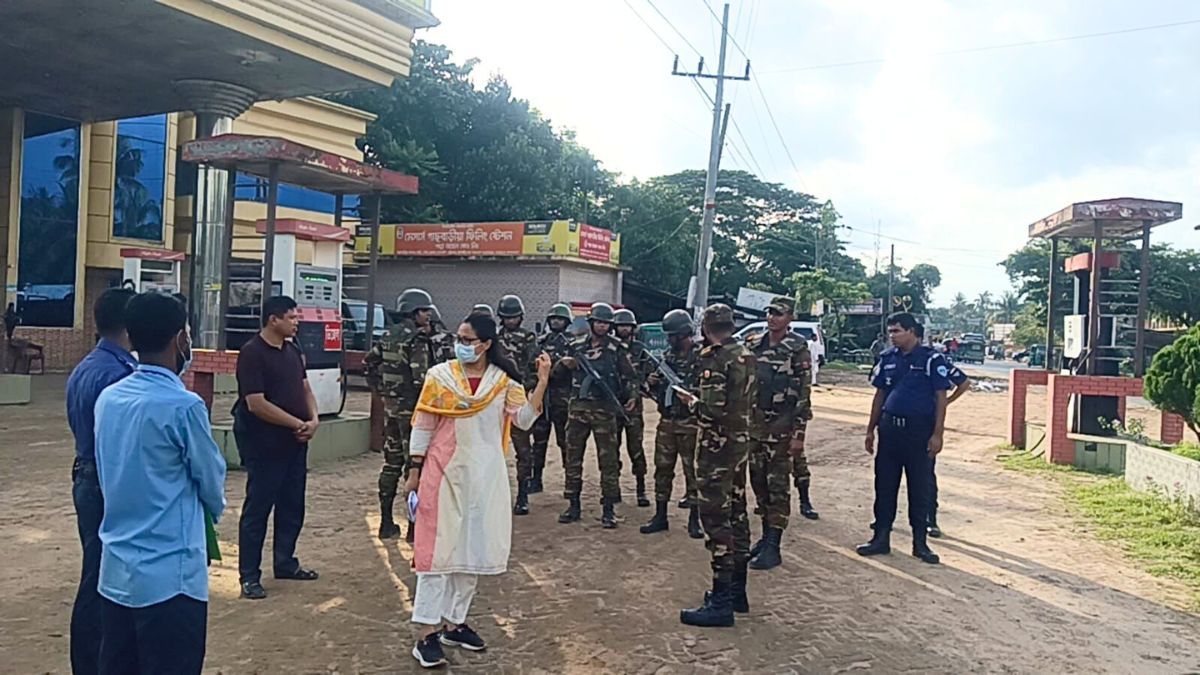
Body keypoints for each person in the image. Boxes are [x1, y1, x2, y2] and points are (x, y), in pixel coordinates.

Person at [92, 292, 226, 674]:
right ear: (180, 339)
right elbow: (211, 480)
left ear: (130, 339)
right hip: (172, 577)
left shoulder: (109, 399)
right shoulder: (183, 406)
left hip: (117, 569)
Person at [407, 314, 550, 668]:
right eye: (460, 338)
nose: (461, 344)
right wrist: (413, 470)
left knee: (472, 549)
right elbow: (424, 424)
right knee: (436, 555)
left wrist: (543, 382)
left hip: (485, 476)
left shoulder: (502, 381)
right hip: (442, 474)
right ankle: (426, 634)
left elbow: (524, 420)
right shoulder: (439, 377)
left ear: (486, 344)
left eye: (468, 339)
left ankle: (454, 624)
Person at [65, 287, 136, 673]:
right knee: (100, 578)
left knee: (97, 570)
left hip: (86, 473)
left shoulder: (88, 365)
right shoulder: (116, 375)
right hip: (103, 479)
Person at [673, 304, 756, 627]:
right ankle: (738, 592)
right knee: (738, 514)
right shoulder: (746, 354)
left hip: (716, 449)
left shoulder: (715, 357)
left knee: (717, 521)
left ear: (706, 328)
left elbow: (711, 411)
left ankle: (721, 603)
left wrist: (690, 401)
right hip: (739, 445)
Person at [233, 295, 320, 600]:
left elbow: (305, 387)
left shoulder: (293, 350)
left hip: (295, 444)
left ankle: (285, 562)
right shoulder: (252, 354)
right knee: (258, 510)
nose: (296, 323)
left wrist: (313, 419)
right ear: (274, 319)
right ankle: (249, 576)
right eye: (292, 318)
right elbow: (256, 404)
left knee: (292, 506)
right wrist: (297, 423)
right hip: (265, 446)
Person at [858, 312, 950, 565]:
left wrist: (938, 434)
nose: (892, 336)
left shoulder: (931, 359)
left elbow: (941, 398)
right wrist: (870, 429)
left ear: (912, 332)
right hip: (890, 432)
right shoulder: (888, 358)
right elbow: (880, 395)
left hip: (918, 433)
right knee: (884, 485)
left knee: (919, 488)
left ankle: (920, 543)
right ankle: (881, 537)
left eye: (897, 331)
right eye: (891, 331)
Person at [364, 288, 443, 540]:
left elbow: (369, 363)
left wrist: (382, 390)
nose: (428, 316)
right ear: (413, 312)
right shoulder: (416, 339)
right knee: (414, 468)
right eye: (424, 311)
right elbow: (422, 379)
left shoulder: (388, 336)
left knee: (391, 464)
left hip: (392, 411)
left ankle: (386, 522)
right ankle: (412, 528)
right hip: (414, 414)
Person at [744, 297, 814, 571]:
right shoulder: (753, 343)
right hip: (755, 427)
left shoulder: (797, 349)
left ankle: (774, 544)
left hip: (782, 429)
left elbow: (804, 394)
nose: (772, 317)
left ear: (790, 318)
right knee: (758, 480)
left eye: (778, 313)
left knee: (778, 485)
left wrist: (799, 434)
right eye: (770, 312)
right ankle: (765, 535)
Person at [555, 302, 638, 529]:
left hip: (605, 411)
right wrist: (565, 364)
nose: (602, 326)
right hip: (578, 410)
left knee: (608, 461)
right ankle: (573, 504)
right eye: (599, 322)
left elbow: (630, 376)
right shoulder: (575, 345)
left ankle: (608, 509)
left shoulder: (617, 348)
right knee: (573, 459)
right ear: (591, 323)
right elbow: (556, 376)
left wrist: (631, 396)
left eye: (606, 323)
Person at [640, 308, 703, 538]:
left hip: (691, 423)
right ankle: (660, 515)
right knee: (662, 469)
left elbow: (710, 389)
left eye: (673, 336)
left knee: (692, 472)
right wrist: (653, 382)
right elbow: (655, 392)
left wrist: (689, 393)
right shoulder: (668, 357)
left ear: (684, 333)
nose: (669, 340)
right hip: (668, 422)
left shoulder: (701, 356)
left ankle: (695, 519)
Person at [495, 294, 539, 516]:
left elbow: (533, 369)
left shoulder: (528, 337)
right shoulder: (493, 337)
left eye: (514, 317)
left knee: (523, 450)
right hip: (493, 398)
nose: (511, 321)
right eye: (507, 317)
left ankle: (522, 495)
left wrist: (523, 388)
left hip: (517, 397)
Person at [529, 303, 574, 494]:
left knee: (566, 442)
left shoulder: (573, 343)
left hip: (563, 399)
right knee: (539, 442)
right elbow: (531, 367)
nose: (557, 321)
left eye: (561, 319)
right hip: (543, 398)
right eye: (554, 318)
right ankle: (536, 479)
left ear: (567, 322)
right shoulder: (540, 342)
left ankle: (570, 482)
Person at [613, 308, 653, 507]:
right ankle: (613, 490)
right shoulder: (609, 348)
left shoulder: (640, 350)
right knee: (612, 450)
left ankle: (641, 489)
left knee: (636, 449)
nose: (623, 329)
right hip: (612, 406)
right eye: (620, 325)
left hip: (634, 408)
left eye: (627, 325)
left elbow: (648, 377)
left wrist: (639, 391)